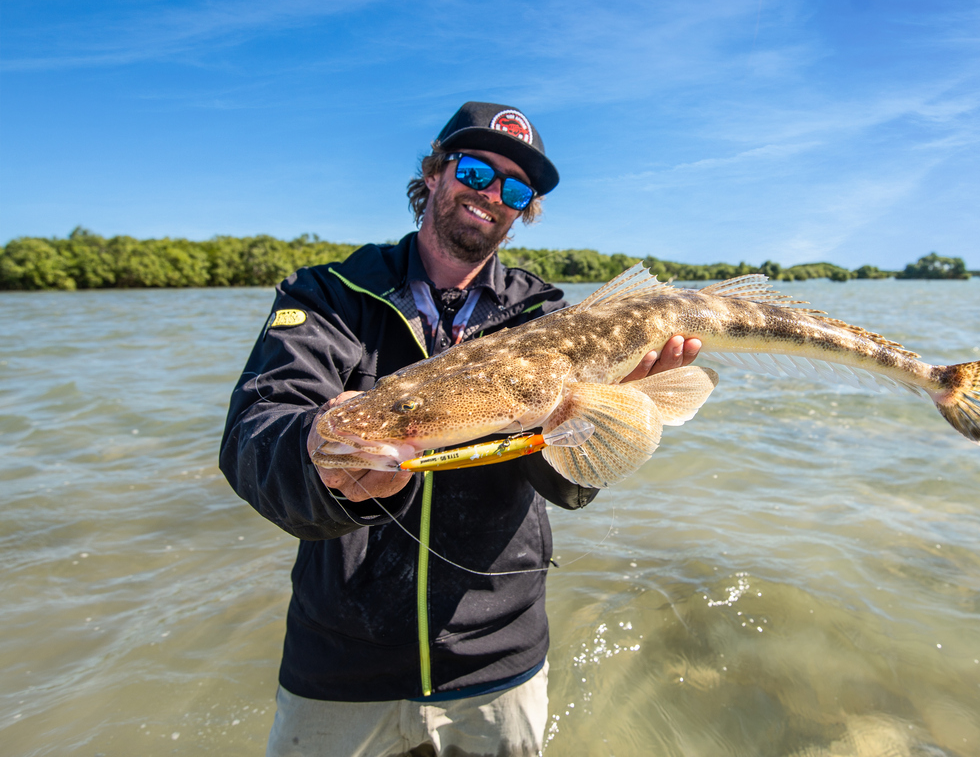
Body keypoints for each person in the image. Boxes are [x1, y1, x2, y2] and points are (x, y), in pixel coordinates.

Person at [220, 101, 701, 757]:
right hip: (338, 665)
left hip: (498, 662)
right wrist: (318, 456)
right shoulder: (327, 294)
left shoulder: (550, 317)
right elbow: (253, 435)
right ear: (435, 173)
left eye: (515, 187)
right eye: (475, 170)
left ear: (524, 207)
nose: (492, 195)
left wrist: (604, 418)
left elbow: (566, 488)